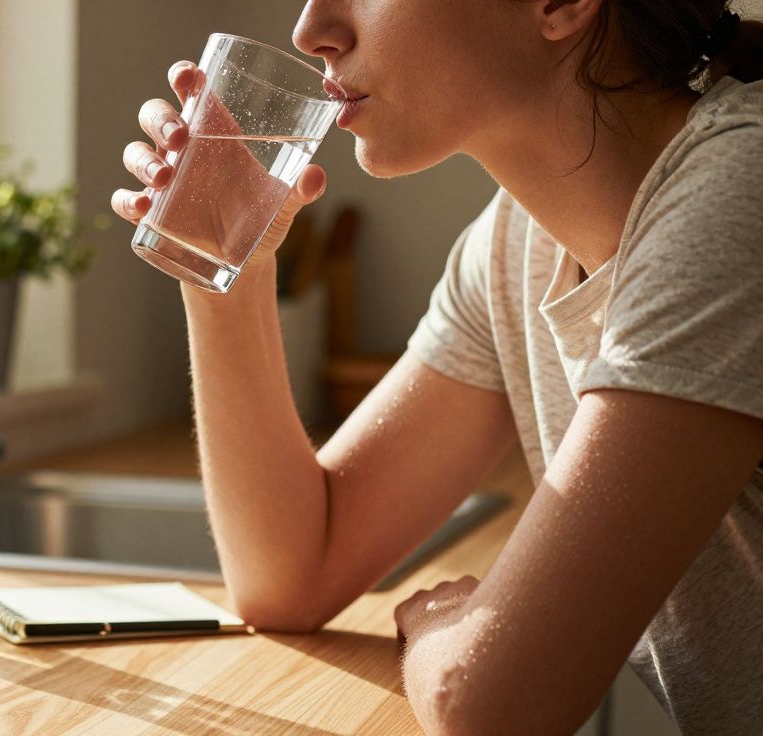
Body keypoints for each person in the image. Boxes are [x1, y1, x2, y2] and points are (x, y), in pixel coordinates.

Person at [111, 1, 763, 734]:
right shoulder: (520, 241)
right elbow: (291, 573)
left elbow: (490, 705)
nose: (312, 29)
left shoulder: (741, 191)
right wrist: (223, 259)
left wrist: (441, 621)